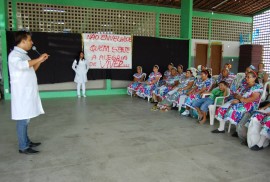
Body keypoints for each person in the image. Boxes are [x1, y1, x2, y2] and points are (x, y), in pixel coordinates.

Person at [8, 31, 49, 154]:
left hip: (27, 93)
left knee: (26, 119)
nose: (32, 42)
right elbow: (21, 66)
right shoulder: (14, 55)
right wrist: (38, 59)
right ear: (23, 41)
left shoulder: (24, 55)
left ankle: (26, 141)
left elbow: (31, 69)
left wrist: (39, 62)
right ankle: (23, 147)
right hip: (22, 94)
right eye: (30, 40)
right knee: (22, 120)